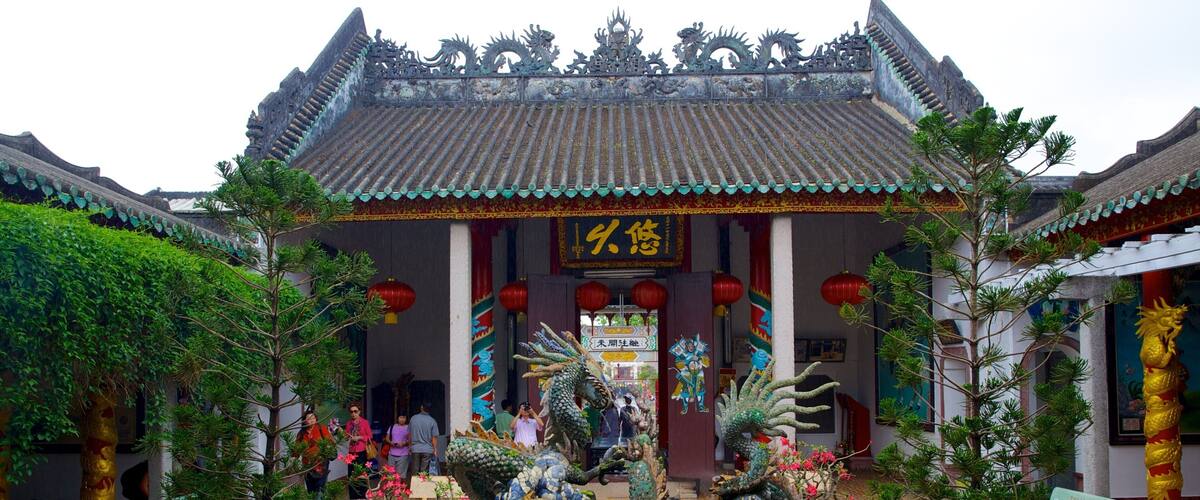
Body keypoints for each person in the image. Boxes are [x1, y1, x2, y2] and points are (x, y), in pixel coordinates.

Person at [298, 410, 334, 499]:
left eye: (313, 418)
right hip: (307, 466)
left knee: (320, 491)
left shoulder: (322, 429)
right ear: (305, 421)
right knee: (311, 491)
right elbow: (296, 450)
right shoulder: (301, 433)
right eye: (309, 418)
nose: (312, 420)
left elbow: (331, 443)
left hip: (321, 465)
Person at [344, 403, 373, 499]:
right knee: (351, 475)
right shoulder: (348, 423)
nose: (353, 413)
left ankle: (363, 496)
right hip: (351, 452)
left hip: (362, 452)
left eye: (355, 411)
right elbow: (346, 437)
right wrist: (344, 436)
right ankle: (353, 497)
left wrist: (359, 437)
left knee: (362, 475)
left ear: (359, 412)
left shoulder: (364, 422)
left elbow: (370, 436)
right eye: (351, 412)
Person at [409, 401, 440, 474]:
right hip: (427, 450)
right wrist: (435, 449)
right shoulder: (432, 421)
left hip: (415, 449)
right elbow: (434, 437)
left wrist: (410, 446)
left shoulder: (413, 418)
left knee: (415, 472)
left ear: (421, 407)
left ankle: (415, 481)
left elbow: (410, 434)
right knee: (424, 473)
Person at [383, 414, 412, 481]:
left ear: (406, 419)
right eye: (400, 417)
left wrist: (404, 443)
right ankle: (392, 487)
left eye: (404, 417)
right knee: (390, 475)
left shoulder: (408, 428)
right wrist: (391, 442)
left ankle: (400, 487)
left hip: (403, 455)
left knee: (400, 476)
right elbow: (387, 438)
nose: (402, 419)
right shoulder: (392, 426)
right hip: (391, 454)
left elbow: (411, 439)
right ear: (397, 418)